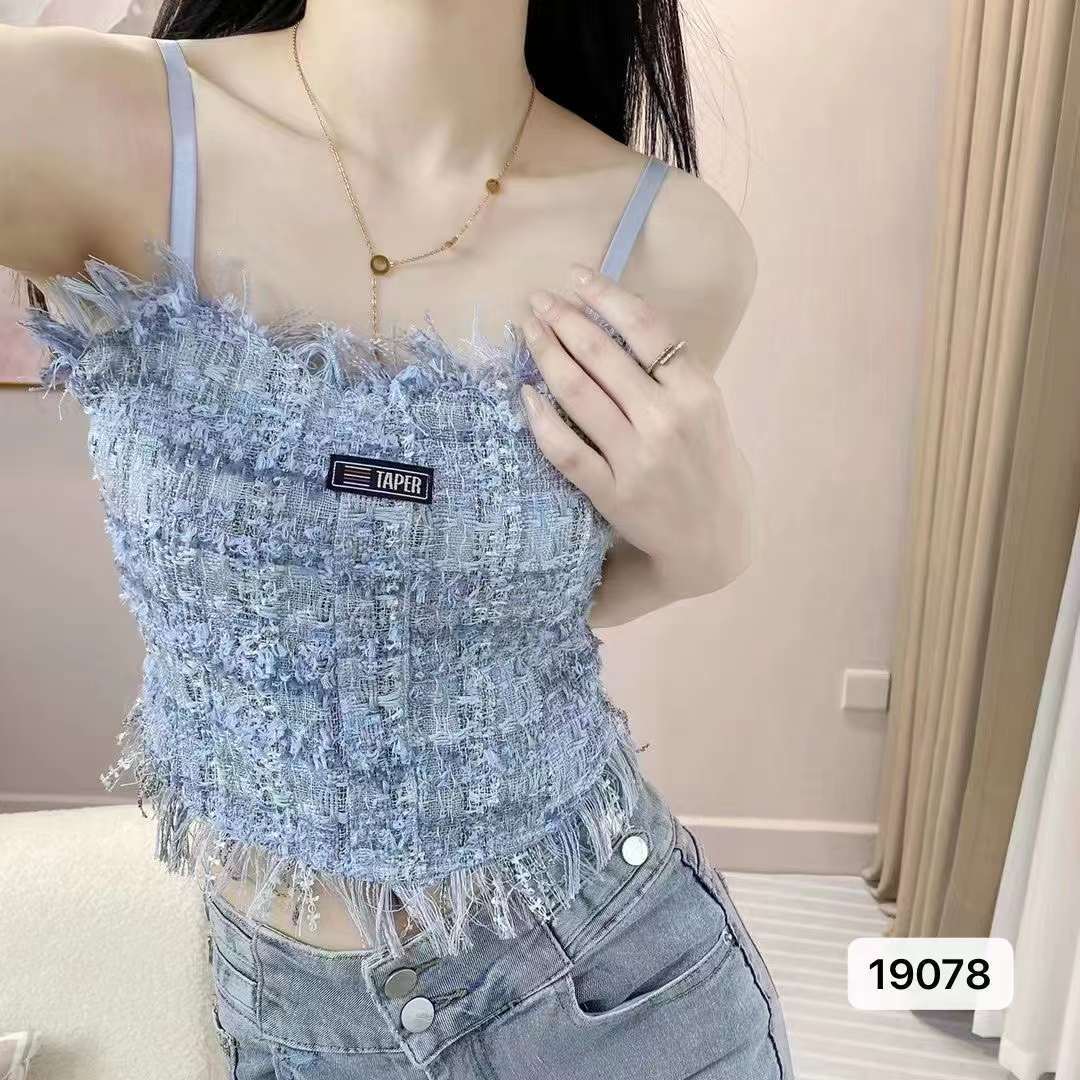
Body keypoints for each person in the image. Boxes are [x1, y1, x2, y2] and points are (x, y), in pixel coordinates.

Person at [2, 2, 792, 1076]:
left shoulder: (674, 247)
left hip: (619, 993)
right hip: (287, 1020)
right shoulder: (68, 114)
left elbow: (508, 619)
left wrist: (715, 548)